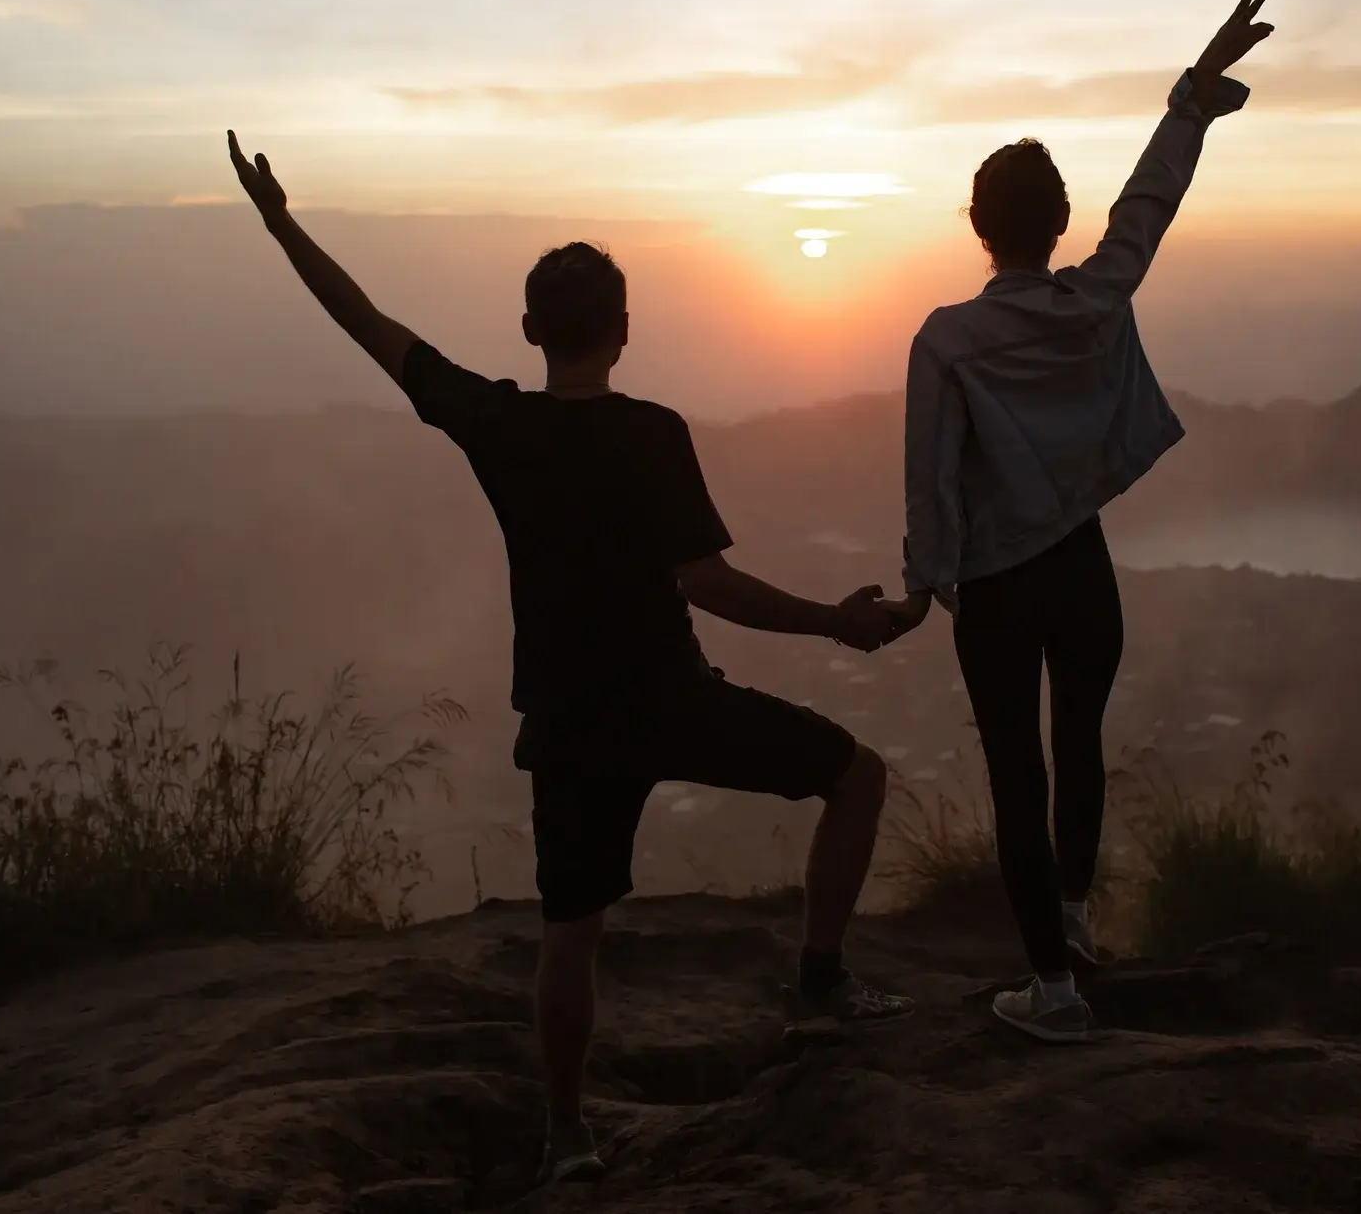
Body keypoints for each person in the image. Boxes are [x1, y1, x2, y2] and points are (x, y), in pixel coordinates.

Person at [225, 139, 914, 1180]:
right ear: (624, 332)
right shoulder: (652, 432)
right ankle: (819, 980)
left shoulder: (498, 423)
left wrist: (281, 223)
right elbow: (707, 584)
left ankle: (566, 1134)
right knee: (852, 775)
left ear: (529, 332)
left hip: (569, 720)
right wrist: (835, 621)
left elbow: (371, 327)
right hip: (671, 700)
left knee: (569, 934)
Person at [881, 0, 1276, 1043]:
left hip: (1002, 585)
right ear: (1057, 223)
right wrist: (1188, 99)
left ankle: (1051, 988)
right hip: (1082, 570)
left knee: (1017, 765)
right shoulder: (1094, 299)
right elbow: (1145, 210)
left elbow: (928, 480)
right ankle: (1070, 921)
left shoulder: (946, 340)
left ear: (977, 227)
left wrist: (927, 582)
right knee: (1079, 742)